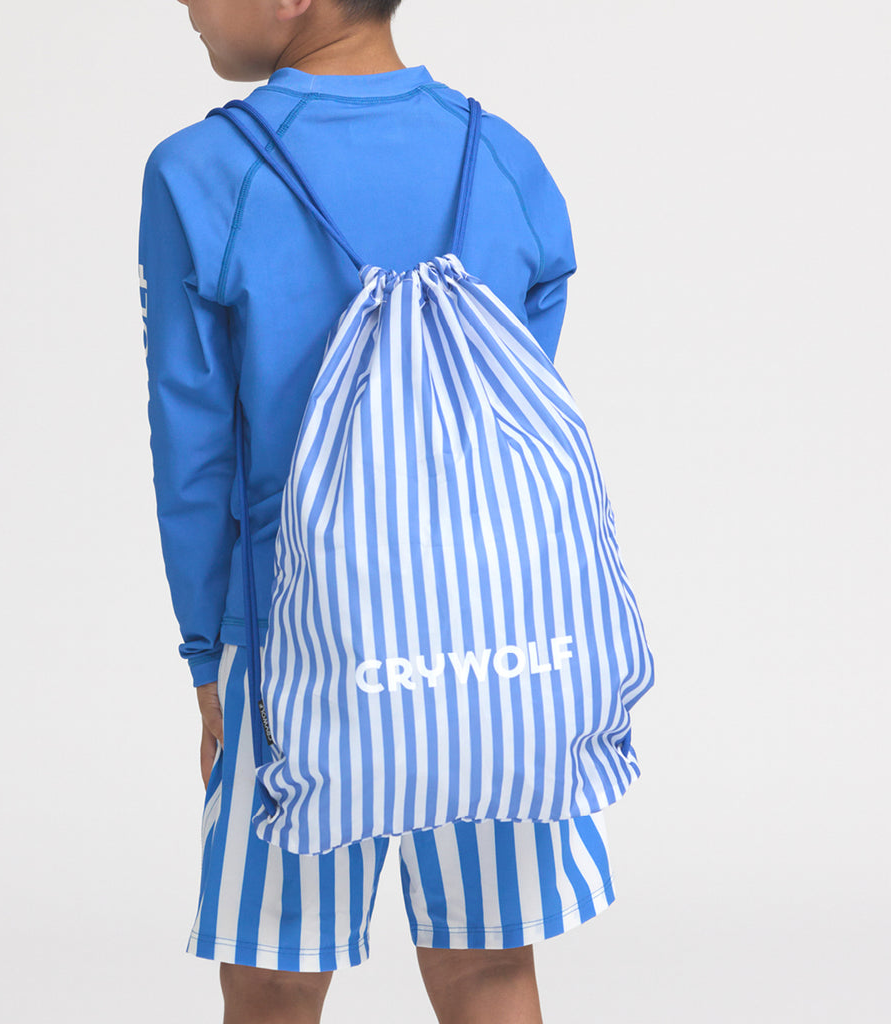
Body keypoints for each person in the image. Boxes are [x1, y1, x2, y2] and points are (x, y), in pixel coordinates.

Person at [138, 2, 617, 1021]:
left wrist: (206, 661)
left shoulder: (203, 172)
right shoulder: (502, 154)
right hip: (501, 645)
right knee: (489, 965)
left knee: (274, 972)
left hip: (292, 649)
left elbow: (194, 449)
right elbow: (524, 398)